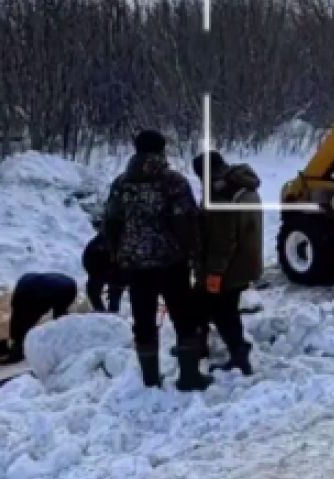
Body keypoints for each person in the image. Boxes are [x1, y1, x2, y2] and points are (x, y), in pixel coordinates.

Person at [103, 129, 209, 391]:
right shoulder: (173, 182)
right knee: (185, 318)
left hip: (136, 267)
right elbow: (186, 222)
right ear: (162, 150)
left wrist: (117, 254)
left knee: (143, 322)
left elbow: (111, 223)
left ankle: (150, 379)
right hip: (172, 263)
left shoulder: (121, 183)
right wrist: (196, 255)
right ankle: (189, 377)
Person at [191, 151, 261, 375]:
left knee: (223, 311)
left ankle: (239, 356)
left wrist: (214, 272)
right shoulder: (241, 185)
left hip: (228, 266)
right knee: (210, 305)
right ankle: (205, 346)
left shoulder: (220, 192)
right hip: (245, 260)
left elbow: (223, 236)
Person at [0, 272, 78, 365]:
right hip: (55, 283)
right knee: (23, 322)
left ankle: (64, 344)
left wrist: (17, 341)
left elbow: (24, 320)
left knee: (59, 318)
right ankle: (19, 347)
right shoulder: (20, 298)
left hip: (64, 288)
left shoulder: (34, 300)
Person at [82, 221, 124, 313]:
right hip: (98, 271)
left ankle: (111, 313)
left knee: (115, 291)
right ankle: (101, 311)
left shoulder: (122, 243)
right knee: (93, 289)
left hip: (117, 273)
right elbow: (88, 261)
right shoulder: (96, 244)